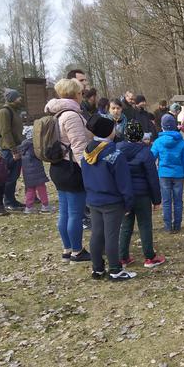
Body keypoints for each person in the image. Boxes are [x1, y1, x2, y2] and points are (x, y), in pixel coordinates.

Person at [82, 114, 136, 281]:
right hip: (112, 202)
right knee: (112, 236)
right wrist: (128, 203)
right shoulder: (115, 154)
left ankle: (97, 269)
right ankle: (115, 270)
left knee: (97, 234)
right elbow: (124, 182)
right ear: (108, 131)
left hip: (93, 199)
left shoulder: (86, 152)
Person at [45, 78, 93, 263]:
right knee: (74, 212)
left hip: (58, 167)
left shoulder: (56, 113)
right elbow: (79, 147)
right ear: (76, 94)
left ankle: (67, 249)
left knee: (64, 211)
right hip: (72, 168)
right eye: (81, 93)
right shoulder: (71, 115)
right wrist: (88, 171)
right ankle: (77, 251)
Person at [118, 122, 166, 268]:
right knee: (145, 225)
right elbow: (152, 177)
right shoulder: (146, 152)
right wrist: (157, 199)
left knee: (126, 226)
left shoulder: (117, 149)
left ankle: (123, 257)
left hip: (124, 194)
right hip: (142, 195)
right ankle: (149, 257)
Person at [151, 114, 184, 233]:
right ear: (174, 126)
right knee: (178, 201)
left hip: (164, 175)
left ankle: (167, 226)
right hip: (178, 175)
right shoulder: (182, 142)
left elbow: (151, 157)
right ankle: (177, 225)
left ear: (162, 127)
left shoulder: (158, 142)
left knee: (166, 201)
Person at [0, 88, 24, 211]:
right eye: (18, 97)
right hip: (8, 150)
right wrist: (13, 150)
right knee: (8, 177)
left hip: (16, 147)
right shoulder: (4, 111)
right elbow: (5, 132)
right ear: (12, 98)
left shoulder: (14, 111)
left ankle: (11, 199)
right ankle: (7, 201)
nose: (20, 99)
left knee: (14, 176)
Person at [19, 126, 53, 214]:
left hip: (27, 172)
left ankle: (28, 207)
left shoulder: (23, 146)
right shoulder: (33, 145)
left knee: (30, 189)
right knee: (41, 188)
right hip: (36, 171)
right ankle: (45, 205)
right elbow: (38, 155)